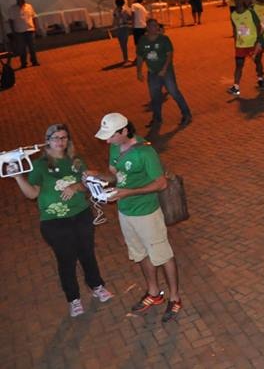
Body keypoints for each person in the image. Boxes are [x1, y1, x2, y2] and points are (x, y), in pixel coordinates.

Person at [10, 123, 113, 317]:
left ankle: (96, 285)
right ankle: (73, 298)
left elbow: (86, 185)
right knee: (66, 259)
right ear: (47, 140)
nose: (60, 141)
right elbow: (32, 194)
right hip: (54, 221)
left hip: (81, 214)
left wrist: (76, 186)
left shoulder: (75, 161)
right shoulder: (40, 166)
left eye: (64, 137)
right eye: (56, 137)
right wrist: (18, 178)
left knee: (87, 253)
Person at [91, 113, 182, 321]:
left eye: (111, 136)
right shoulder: (115, 147)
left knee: (163, 255)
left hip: (147, 213)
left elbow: (161, 183)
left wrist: (127, 193)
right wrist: (97, 175)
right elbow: (116, 176)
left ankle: (175, 298)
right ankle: (153, 293)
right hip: (125, 212)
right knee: (139, 253)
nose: (106, 141)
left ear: (124, 131)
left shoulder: (145, 152)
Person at [136, 18, 192, 128]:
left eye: (157, 26)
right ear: (147, 28)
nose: (156, 28)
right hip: (152, 72)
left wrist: (164, 69)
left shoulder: (163, 39)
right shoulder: (143, 41)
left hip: (166, 72)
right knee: (155, 97)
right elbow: (140, 57)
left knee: (174, 92)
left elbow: (169, 55)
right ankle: (157, 118)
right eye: (153, 26)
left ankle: (186, 114)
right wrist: (138, 71)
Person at [228, 0, 264, 96]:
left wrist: (258, 40)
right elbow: (234, 29)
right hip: (241, 45)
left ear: (243, 1)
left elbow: (258, 26)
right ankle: (236, 87)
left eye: (240, 0)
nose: (238, 2)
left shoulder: (250, 12)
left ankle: (260, 77)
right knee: (239, 65)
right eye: (236, 0)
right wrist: (235, 42)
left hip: (252, 43)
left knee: (257, 61)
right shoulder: (233, 15)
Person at [8, 0, 39, 68]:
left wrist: (36, 27)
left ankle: (34, 61)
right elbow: (11, 20)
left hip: (30, 29)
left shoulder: (29, 6)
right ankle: (23, 63)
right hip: (19, 31)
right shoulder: (12, 8)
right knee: (22, 49)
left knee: (32, 47)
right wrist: (13, 31)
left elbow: (34, 17)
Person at [111, 0, 133, 64]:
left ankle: (125, 58)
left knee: (123, 44)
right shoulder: (123, 10)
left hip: (122, 28)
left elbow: (115, 20)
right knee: (123, 44)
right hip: (122, 28)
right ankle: (125, 58)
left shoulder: (118, 10)